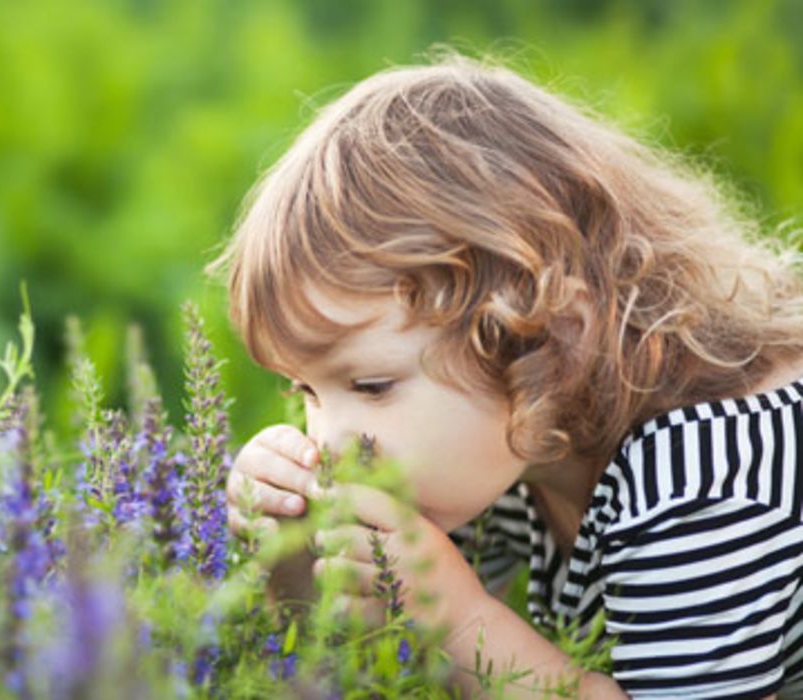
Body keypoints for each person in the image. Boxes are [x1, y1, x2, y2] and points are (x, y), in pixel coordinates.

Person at [209, 50, 803, 699]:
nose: (328, 443)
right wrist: (300, 565)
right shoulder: (507, 440)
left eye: (372, 386)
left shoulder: (695, 481)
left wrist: (458, 617)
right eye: (306, 392)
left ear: (552, 337)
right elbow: (370, 671)